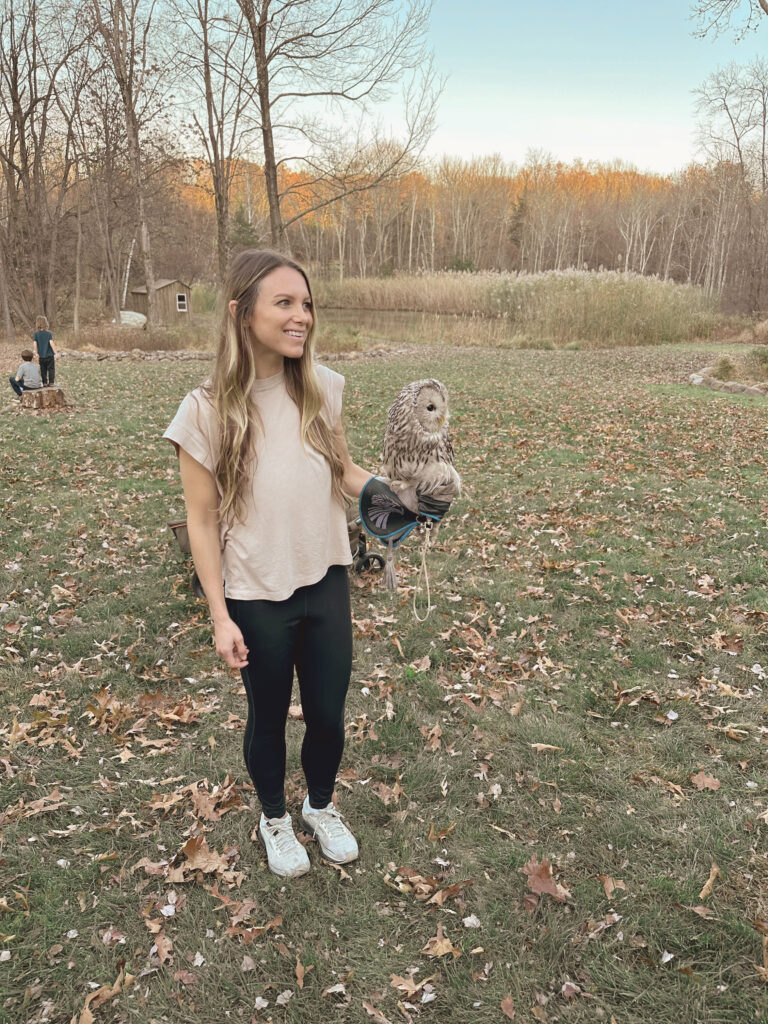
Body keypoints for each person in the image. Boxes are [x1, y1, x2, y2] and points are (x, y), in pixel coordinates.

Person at [164, 249, 447, 880]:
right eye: (285, 304)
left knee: (327, 711)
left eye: (307, 304)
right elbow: (203, 523)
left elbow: (344, 472)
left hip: (325, 581)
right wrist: (218, 615)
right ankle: (274, 818)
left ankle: (320, 806)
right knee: (267, 716)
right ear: (242, 314)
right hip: (256, 594)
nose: (302, 318)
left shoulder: (323, 387)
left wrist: (400, 498)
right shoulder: (205, 411)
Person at [32, 316, 56, 386]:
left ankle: (44, 382)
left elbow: (35, 344)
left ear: (37, 324)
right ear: (46, 323)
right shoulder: (49, 333)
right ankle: (51, 382)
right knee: (51, 369)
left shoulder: (36, 334)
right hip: (49, 355)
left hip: (41, 356)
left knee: (43, 370)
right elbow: (51, 343)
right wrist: (56, 353)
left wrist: (36, 353)